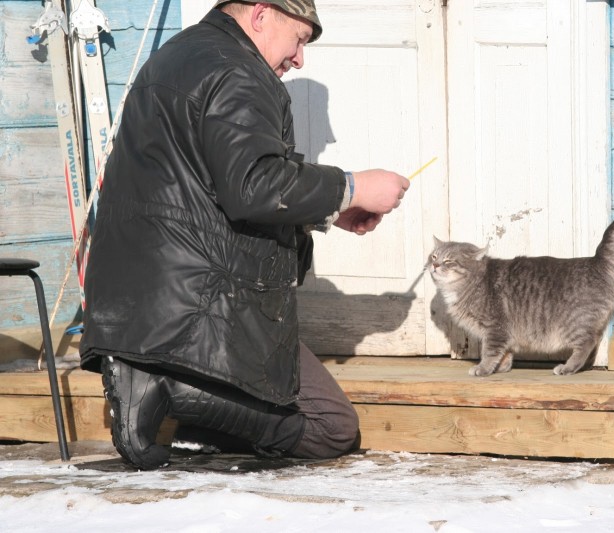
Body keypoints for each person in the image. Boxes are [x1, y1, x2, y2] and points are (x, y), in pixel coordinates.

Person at [79, 0, 410, 470]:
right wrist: (352, 185)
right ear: (260, 15)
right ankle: (170, 389)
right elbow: (254, 185)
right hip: (201, 306)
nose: (299, 58)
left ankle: (176, 401)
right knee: (330, 426)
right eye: (298, 39)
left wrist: (329, 211)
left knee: (260, 415)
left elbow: (205, 185)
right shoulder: (239, 71)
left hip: (144, 305)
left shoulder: (179, 55)